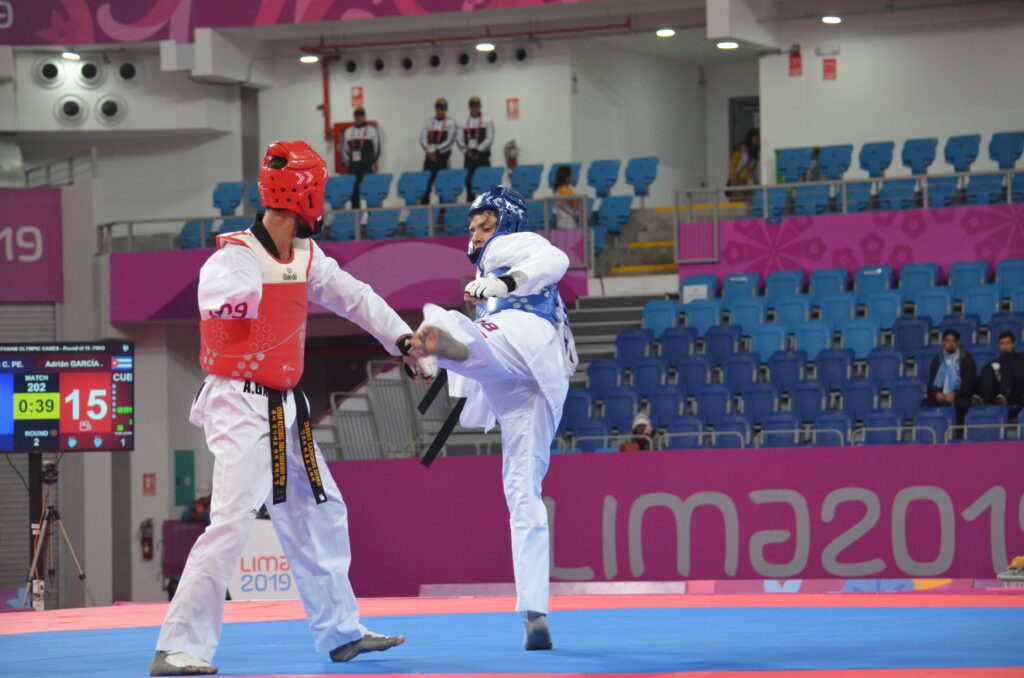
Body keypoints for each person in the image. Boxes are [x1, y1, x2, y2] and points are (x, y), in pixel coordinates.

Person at [149, 140, 434, 676]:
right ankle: (176, 646)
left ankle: (341, 632)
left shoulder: (307, 257)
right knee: (231, 523)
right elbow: (219, 300)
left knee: (320, 512)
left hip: (287, 409)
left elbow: (356, 296)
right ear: (308, 195)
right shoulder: (232, 257)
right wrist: (241, 297)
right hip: (238, 403)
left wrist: (402, 339)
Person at [410, 186, 577, 651]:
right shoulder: (488, 264)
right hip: (527, 384)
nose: (477, 232)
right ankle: (535, 613)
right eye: (472, 226)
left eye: (485, 223)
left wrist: (507, 281)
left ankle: (443, 342)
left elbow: (556, 261)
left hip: (524, 336)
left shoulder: (515, 245)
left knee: (471, 341)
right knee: (523, 490)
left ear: (506, 221)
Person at [923, 328, 977, 426]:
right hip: (942, 395)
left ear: (958, 343)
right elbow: (932, 382)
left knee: (962, 405)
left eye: (953, 341)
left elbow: (969, 384)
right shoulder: (937, 361)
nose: (950, 344)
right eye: (947, 341)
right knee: (926, 404)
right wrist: (937, 393)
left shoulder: (966, 360)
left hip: (960, 395)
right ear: (943, 343)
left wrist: (955, 395)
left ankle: (958, 435)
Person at [419, 97, 458, 204]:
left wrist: (436, 151)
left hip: (442, 159)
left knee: (443, 187)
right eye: (438, 108)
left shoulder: (451, 123)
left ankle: (442, 214)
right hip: (429, 158)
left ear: (446, 110)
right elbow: (422, 138)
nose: (440, 111)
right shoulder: (429, 122)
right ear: (435, 109)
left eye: (442, 109)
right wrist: (429, 151)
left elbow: (449, 141)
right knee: (425, 186)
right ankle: (425, 212)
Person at [341, 107, 381, 209]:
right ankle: (356, 220)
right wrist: (350, 162)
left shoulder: (372, 130)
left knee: (370, 193)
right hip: (353, 168)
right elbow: (345, 150)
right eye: (357, 116)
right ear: (354, 117)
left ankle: (371, 219)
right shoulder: (348, 131)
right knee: (354, 194)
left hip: (367, 167)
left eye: (361, 116)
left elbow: (377, 149)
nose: (358, 118)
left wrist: (371, 161)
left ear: (364, 117)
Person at [457, 96, 495, 201]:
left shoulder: (487, 121)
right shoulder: (463, 122)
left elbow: (489, 138)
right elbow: (459, 140)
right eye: (472, 106)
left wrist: (478, 149)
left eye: (476, 106)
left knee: (485, 185)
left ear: (480, 107)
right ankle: (471, 212)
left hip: (482, 157)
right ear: (469, 108)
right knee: (469, 185)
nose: (474, 109)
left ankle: (488, 211)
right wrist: (467, 151)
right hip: (469, 158)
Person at [973, 331, 1023, 407]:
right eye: (1002, 343)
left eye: (1007, 343)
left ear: (1014, 344)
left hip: (1015, 392)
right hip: (996, 394)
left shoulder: (1020, 359)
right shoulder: (994, 362)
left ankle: (1004, 398)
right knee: (987, 368)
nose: (1004, 346)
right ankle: (985, 400)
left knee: (1006, 369)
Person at [727, 128, 760, 195]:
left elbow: (754, 170)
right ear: (750, 138)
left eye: (758, 138)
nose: (757, 140)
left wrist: (757, 182)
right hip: (739, 180)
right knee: (738, 201)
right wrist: (732, 180)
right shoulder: (741, 149)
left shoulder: (756, 152)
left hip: (750, 181)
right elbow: (732, 165)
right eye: (755, 138)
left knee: (750, 203)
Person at [552, 165, 580, 229]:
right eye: (571, 175)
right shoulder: (563, 189)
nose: (572, 176)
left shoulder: (569, 188)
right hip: (565, 224)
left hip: (570, 222)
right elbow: (573, 202)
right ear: (566, 177)